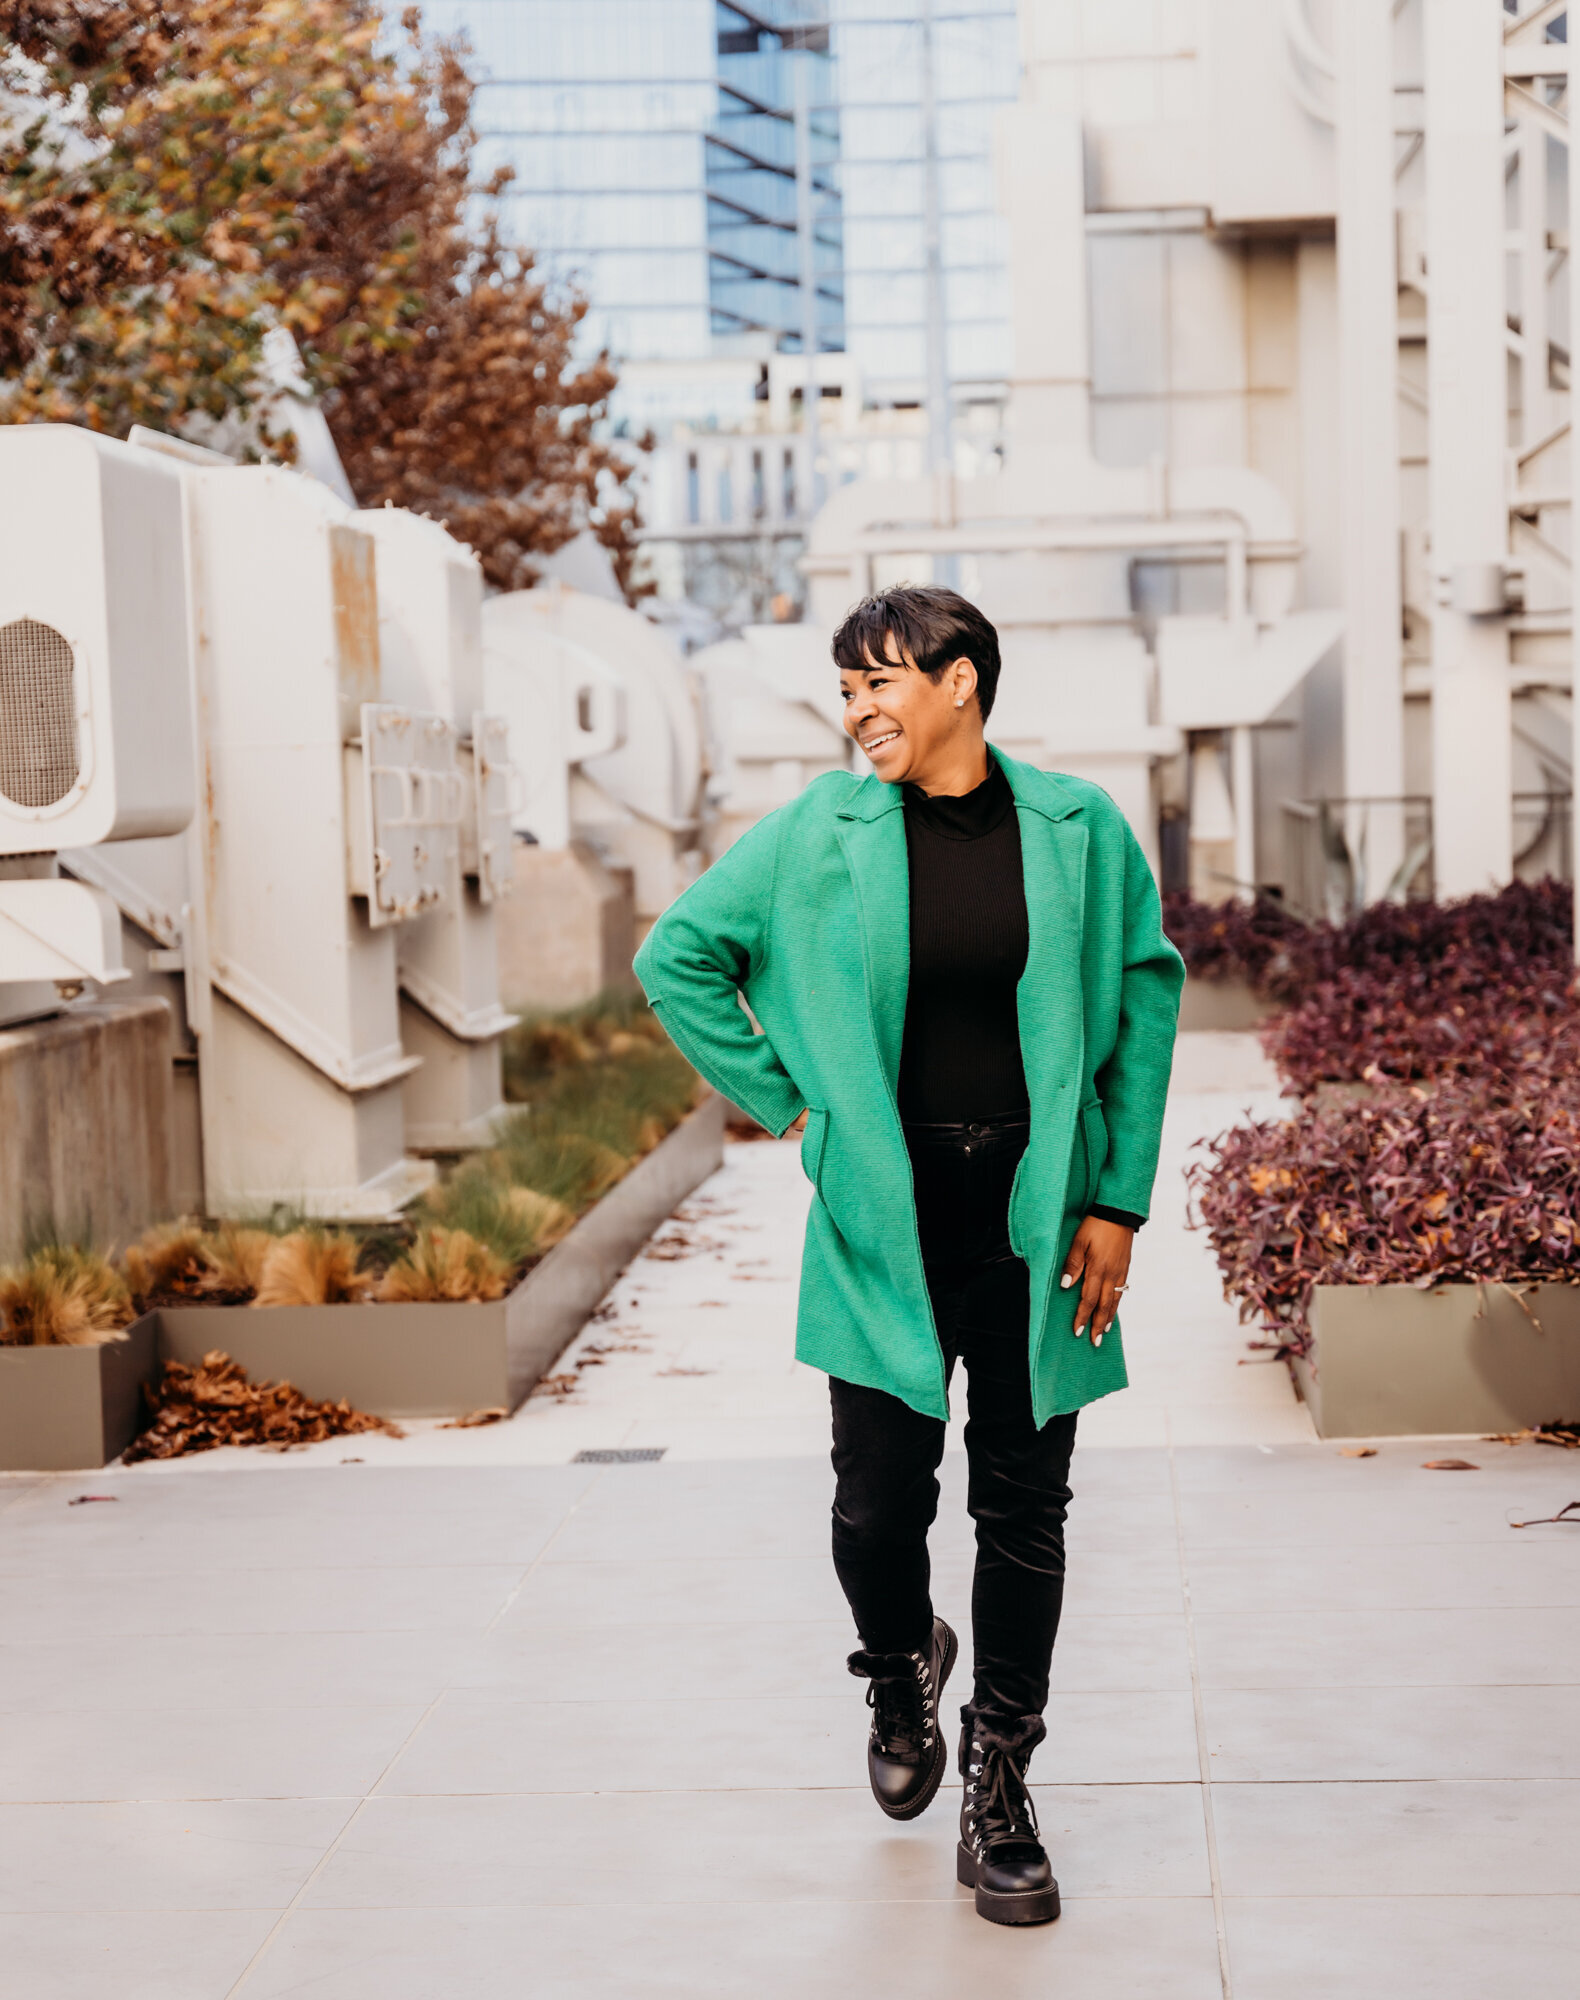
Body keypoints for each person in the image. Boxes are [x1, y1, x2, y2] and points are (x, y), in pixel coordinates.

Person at [634, 586, 1183, 1927]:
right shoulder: (819, 830)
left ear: (962, 683)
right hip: (884, 1217)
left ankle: (1002, 1782)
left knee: (1024, 1505)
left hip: (1040, 1216)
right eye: (844, 689)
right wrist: (798, 1109)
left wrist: (1118, 1201)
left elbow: (1143, 994)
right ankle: (898, 1666)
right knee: (878, 1507)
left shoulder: (1078, 829)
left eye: (881, 681)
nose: (859, 710)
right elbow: (679, 956)